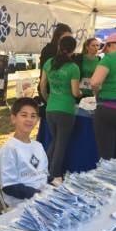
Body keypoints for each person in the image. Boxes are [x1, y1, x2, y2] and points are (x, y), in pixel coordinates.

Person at [39, 36, 81, 180]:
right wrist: (81, 92)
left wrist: (47, 99)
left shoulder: (49, 63)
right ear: (73, 49)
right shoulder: (73, 68)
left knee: (55, 141)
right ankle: (54, 175)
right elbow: (75, 93)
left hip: (51, 108)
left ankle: (42, 170)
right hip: (66, 110)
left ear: (59, 46)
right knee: (60, 144)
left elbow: (42, 85)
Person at [0, 97, 49, 207]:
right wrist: (39, 194)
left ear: (37, 120)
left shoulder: (38, 146)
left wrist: (54, 182)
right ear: (13, 118)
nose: (29, 119)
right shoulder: (10, 149)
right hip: (24, 203)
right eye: (24, 115)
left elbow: (42, 174)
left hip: (43, 197)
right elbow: (9, 186)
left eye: (33, 116)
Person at [38, 23, 73, 98]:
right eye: (66, 38)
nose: (68, 41)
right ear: (58, 37)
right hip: (48, 90)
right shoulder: (48, 50)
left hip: (61, 91)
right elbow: (46, 73)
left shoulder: (67, 51)